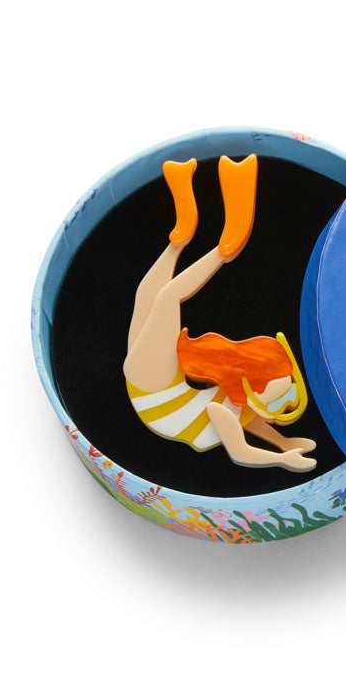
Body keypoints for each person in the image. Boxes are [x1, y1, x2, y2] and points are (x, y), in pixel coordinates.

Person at [123, 155, 316, 472]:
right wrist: (283, 448)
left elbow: (241, 450)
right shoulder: (240, 404)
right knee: (150, 298)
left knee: (164, 299)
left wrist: (283, 452)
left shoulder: (227, 409)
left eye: (283, 402)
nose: (280, 409)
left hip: (157, 394)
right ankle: (191, 235)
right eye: (283, 399)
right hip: (159, 386)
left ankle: (222, 245)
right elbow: (247, 434)